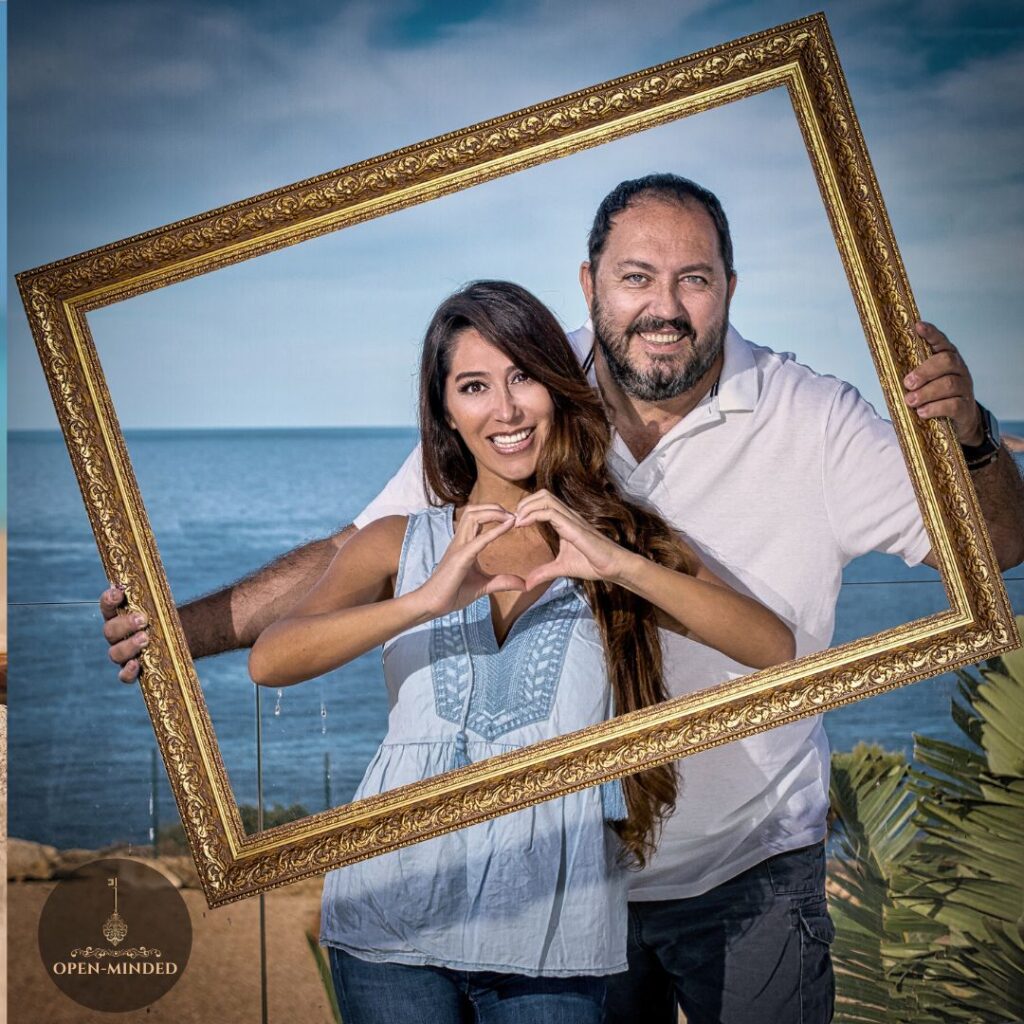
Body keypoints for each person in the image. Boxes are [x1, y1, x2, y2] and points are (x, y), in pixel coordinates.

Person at [102, 175, 1024, 1023]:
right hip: (572, 876)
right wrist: (170, 633)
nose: (663, 307)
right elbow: (354, 557)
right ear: (589, 284)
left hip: (746, 866)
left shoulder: (811, 416)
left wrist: (976, 441)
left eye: (693, 279)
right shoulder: (533, 379)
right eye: (636, 277)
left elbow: (992, 551)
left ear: (731, 288)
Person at [246, 280, 793, 1023]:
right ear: (445, 408)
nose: (504, 410)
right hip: (389, 913)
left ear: (556, 388)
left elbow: (772, 647)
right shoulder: (397, 542)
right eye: (474, 386)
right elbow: (271, 658)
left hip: (551, 928)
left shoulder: (614, 540)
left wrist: (622, 566)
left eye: (522, 377)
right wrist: (423, 601)